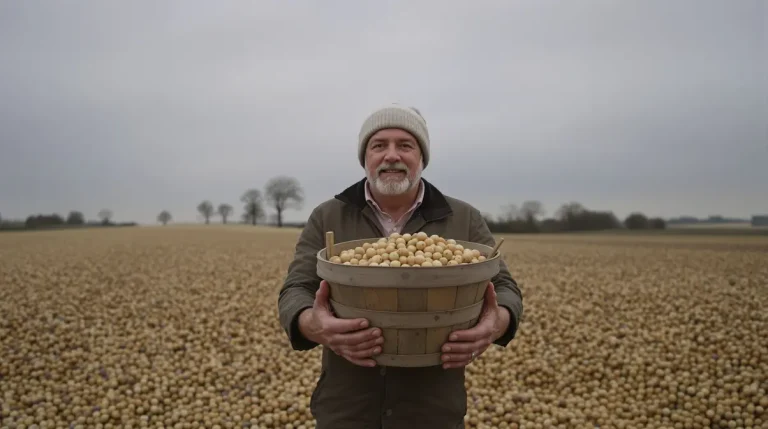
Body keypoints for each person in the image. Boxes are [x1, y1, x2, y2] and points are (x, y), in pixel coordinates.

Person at [278, 104, 524, 429]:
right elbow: (296, 289)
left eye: (405, 145)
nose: (391, 155)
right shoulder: (328, 216)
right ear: (365, 157)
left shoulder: (464, 218)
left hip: (432, 411)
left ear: (422, 157)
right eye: (378, 145)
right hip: (346, 409)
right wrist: (313, 324)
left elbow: (505, 288)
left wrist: (496, 323)